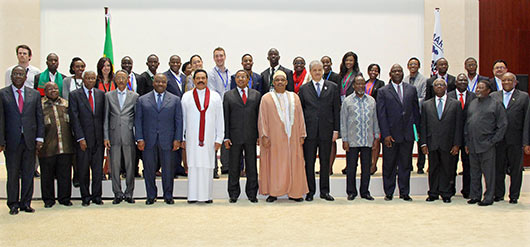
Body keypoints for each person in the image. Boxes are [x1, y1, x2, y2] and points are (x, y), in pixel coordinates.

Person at [258, 70, 308, 202]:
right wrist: (264, 136)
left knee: (294, 163)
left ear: (286, 82)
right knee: (275, 164)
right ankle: (274, 192)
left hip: (293, 137)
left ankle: (294, 193)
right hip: (274, 139)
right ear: (273, 83)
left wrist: (302, 134)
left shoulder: (294, 97)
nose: (280, 82)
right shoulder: (266, 98)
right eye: (277, 80)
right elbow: (262, 119)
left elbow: (300, 116)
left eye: (282, 80)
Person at [0, 66, 44, 215]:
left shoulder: (35, 94)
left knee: (28, 173)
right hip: (11, 141)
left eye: (21, 74)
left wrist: (39, 137)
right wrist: (1, 140)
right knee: (12, 174)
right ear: (11, 76)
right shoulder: (3, 94)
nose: (18, 76)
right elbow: (1, 119)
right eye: (15, 74)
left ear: (26, 77)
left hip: (30, 140)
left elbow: (39, 117)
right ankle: (13, 203)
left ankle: (26, 203)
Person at [135, 73, 183, 205]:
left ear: (166, 84)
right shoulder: (142, 100)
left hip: (168, 140)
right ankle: (151, 195)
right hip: (148, 140)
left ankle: (168, 195)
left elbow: (178, 121)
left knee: (168, 170)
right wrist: (139, 138)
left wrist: (177, 139)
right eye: (157, 82)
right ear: (153, 83)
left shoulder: (175, 100)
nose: (160, 84)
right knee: (149, 170)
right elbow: (138, 120)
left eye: (163, 82)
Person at [377, 64, 420, 201]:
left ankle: (404, 192)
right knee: (389, 164)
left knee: (405, 164)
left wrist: (416, 131)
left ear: (403, 73)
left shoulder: (411, 90)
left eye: (399, 71)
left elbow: (415, 112)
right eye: (394, 71)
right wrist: (386, 135)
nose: (397, 73)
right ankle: (389, 192)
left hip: (407, 134)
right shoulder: (383, 91)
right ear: (390, 74)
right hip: (391, 135)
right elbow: (381, 115)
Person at [298, 60, 339, 201]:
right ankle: (310, 191)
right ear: (310, 72)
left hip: (326, 131)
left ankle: (324, 191)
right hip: (309, 132)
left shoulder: (332, 87)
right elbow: (301, 113)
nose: (317, 72)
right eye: (314, 70)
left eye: (319, 70)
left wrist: (336, 130)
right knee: (309, 162)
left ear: (323, 71)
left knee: (325, 161)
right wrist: (301, 132)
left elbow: (336, 110)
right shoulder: (303, 89)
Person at [181, 69, 224, 203]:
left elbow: (220, 119)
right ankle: (192, 196)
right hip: (192, 139)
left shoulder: (215, 96)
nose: (200, 80)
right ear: (193, 80)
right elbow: (182, 119)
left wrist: (219, 138)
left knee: (207, 166)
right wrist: (182, 138)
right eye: (198, 78)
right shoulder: (186, 97)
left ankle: (207, 197)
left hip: (209, 138)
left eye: (203, 78)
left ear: (206, 80)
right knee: (193, 166)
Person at [464, 80, 507, 206]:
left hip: (487, 145)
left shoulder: (496, 104)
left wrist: (493, 140)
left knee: (489, 173)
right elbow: (468, 124)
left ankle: (488, 197)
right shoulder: (472, 103)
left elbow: (503, 125)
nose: (478, 90)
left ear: (488, 91)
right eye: (477, 88)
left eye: (481, 88)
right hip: (472, 144)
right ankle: (475, 195)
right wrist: (467, 142)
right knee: (474, 172)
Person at [420, 78, 463, 203]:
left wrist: (457, 144)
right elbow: (423, 126)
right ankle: (433, 193)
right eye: (436, 85)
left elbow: (458, 126)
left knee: (447, 168)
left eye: (441, 85)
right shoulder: (426, 104)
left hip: (448, 143)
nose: (439, 87)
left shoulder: (455, 104)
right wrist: (423, 143)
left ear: (445, 88)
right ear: (433, 88)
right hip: (432, 142)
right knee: (433, 168)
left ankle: (446, 193)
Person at [223, 70, 261, 203]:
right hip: (234, 137)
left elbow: (259, 118)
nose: (240, 79)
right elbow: (226, 118)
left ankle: (252, 193)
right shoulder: (228, 96)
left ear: (248, 79)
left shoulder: (256, 95)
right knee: (234, 167)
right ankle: (233, 194)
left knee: (252, 166)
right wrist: (226, 137)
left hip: (251, 136)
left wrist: (259, 135)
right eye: (238, 77)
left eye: (243, 77)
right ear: (235, 80)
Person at [491, 72, 529, 204]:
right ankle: (499, 194)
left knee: (516, 170)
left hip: (516, 140)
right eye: (504, 80)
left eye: (509, 80)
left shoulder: (524, 97)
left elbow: (527, 121)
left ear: (515, 82)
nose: (506, 82)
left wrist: (526, 142)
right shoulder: (493, 96)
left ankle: (514, 196)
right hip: (498, 140)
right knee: (498, 168)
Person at [68, 71, 105, 206]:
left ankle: (97, 196)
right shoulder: (74, 95)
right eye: (88, 78)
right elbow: (74, 118)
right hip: (83, 140)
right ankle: (85, 196)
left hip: (98, 139)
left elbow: (103, 117)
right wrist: (80, 138)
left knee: (97, 170)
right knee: (83, 170)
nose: (90, 80)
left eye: (93, 78)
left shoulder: (101, 94)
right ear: (83, 79)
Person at [341, 75, 379, 201]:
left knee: (366, 167)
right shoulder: (347, 101)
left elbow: (375, 120)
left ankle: (365, 191)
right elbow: (343, 122)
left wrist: (376, 137)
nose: (360, 86)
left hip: (367, 139)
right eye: (358, 84)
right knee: (351, 168)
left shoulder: (372, 101)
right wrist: (345, 139)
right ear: (353, 86)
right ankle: (351, 192)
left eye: (362, 84)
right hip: (352, 140)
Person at [104, 70, 139, 204]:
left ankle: (129, 193)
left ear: (127, 80)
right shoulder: (108, 96)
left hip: (129, 135)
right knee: (115, 166)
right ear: (115, 80)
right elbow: (106, 118)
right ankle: (117, 193)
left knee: (130, 166)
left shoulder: (135, 96)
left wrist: (138, 137)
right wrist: (106, 136)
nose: (121, 80)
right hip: (113, 136)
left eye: (123, 78)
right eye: (118, 78)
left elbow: (137, 118)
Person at [39, 82, 74, 208]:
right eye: (50, 89)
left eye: (55, 88)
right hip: (47, 146)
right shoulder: (40, 105)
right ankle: (48, 199)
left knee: (64, 174)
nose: (53, 90)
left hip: (65, 144)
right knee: (47, 175)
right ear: (45, 91)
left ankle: (64, 198)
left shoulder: (66, 103)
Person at [447, 73, 476, 198]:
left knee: (468, 164)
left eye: (465, 80)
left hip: (468, 136)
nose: (463, 82)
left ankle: (467, 190)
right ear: (455, 83)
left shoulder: (474, 97)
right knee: (450, 165)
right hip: (452, 137)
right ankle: (449, 189)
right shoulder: (448, 96)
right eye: (460, 80)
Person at [208, 47, 231, 177]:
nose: (219, 58)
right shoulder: (211, 74)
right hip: (216, 108)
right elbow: (213, 93)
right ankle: (214, 168)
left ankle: (226, 166)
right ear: (214, 58)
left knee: (226, 135)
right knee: (215, 138)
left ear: (225, 56)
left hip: (228, 108)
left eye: (221, 55)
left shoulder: (229, 73)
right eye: (216, 56)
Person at [163, 55, 187, 178]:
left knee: (181, 138)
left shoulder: (184, 77)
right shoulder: (164, 77)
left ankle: (179, 166)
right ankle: (172, 168)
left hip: (184, 112)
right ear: (169, 63)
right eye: (173, 62)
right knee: (173, 140)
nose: (176, 64)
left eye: (178, 62)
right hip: (170, 113)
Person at [403, 57, 427, 174]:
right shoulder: (405, 79)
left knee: (419, 140)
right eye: (411, 64)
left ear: (419, 66)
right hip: (407, 117)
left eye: (415, 64)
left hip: (419, 115)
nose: (413, 66)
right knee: (408, 141)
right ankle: (408, 164)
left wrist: (410, 102)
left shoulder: (423, 80)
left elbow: (423, 97)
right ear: (408, 66)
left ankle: (420, 165)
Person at [321, 56, 341, 175]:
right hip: (321, 114)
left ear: (331, 63)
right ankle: (324, 167)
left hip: (331, 113)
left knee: (332, 142)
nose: (325, 64)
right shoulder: (319, 77)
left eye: (327, 62)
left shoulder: (336, 77)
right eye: (323, 62)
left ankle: (330, 167)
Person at [365, 64, 385, 175]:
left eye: (376, 70)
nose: (373, 72)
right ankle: (368, 163)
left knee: (376, 140)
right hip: (366, 115)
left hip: (376, 114)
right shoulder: (365, 82)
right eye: (371, 70)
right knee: (368, 140)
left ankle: (374, 164)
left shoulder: (381, 84)